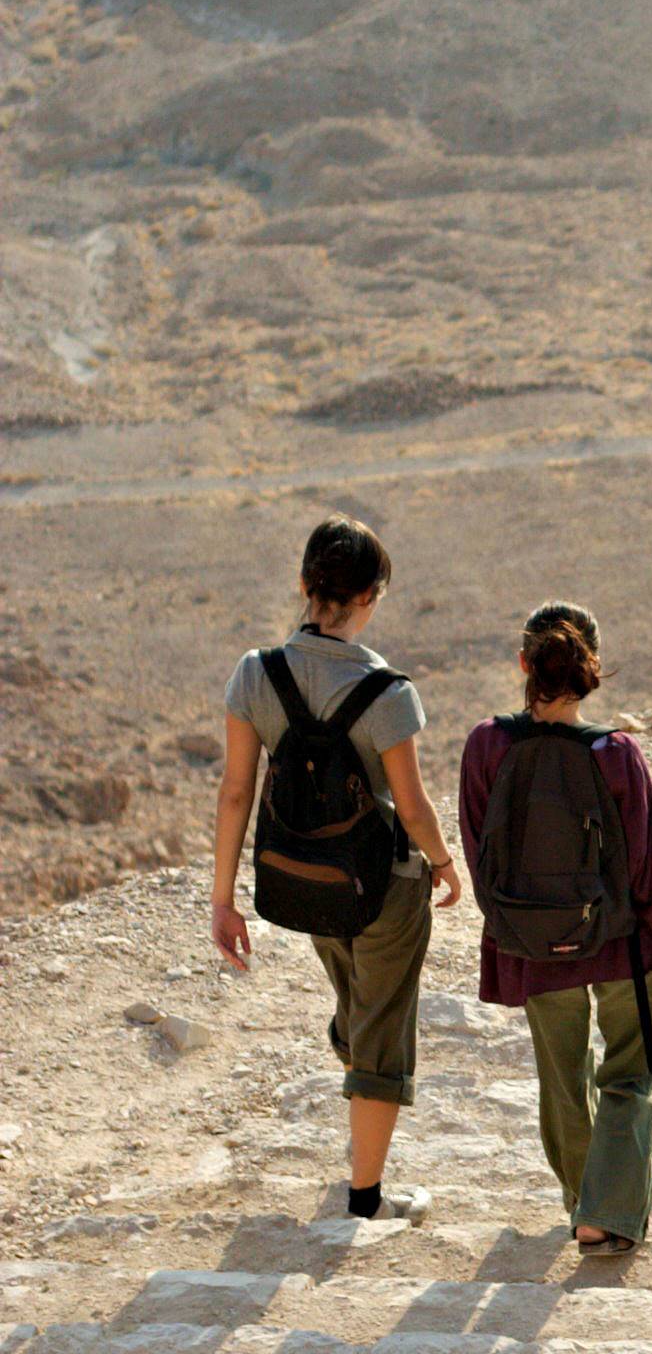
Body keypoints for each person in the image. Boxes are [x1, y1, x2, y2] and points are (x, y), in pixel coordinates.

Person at [459, 602, 652, 1253]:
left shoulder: (486, 746)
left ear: (523, 665)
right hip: (620, 948)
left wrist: (514, 932)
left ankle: (583, 1202)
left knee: (562, 1081)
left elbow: (480, 852)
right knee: (632, 1074)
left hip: (534, 947)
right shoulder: (615, 754)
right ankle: (605, 1212)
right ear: (592, 670)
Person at [209, 516, 465, 1222]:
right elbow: (410, 807)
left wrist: (222, 899)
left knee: (359, 1005)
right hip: (382, 886)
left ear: (304, 584)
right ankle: (366, 1200)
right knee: (382, 1030)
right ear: (372, 598)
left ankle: (354, 1049)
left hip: (299, 878)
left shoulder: (253, 674)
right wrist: (445, 863)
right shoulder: (388, 692)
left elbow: (234, 791)